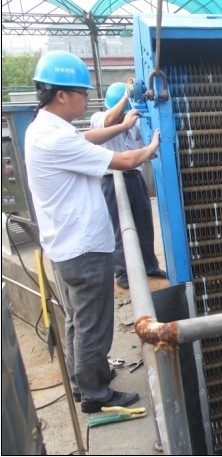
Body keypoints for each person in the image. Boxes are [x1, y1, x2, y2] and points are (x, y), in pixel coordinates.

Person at [24, 51, 160, 414]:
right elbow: (126, 160)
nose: (87, 99)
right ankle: (96, 393)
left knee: (76, 321)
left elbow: (87, 137)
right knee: (93, 326)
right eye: (82, 93)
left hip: (64, 248)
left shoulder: (43, 128)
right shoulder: (56, 140)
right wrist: (152, 147)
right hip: (83, 250)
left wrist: (121, 125)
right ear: (61, 95)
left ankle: (81, 379)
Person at [91, 82, 167, 290]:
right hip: (112, 181)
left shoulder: (135, 120)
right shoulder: (98, 118)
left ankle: (150, 266)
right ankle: (123, 273)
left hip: (135, 177)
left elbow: (145, 141)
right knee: (119, 229)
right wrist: (127, 95)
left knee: (144, 225)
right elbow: (109, 120)